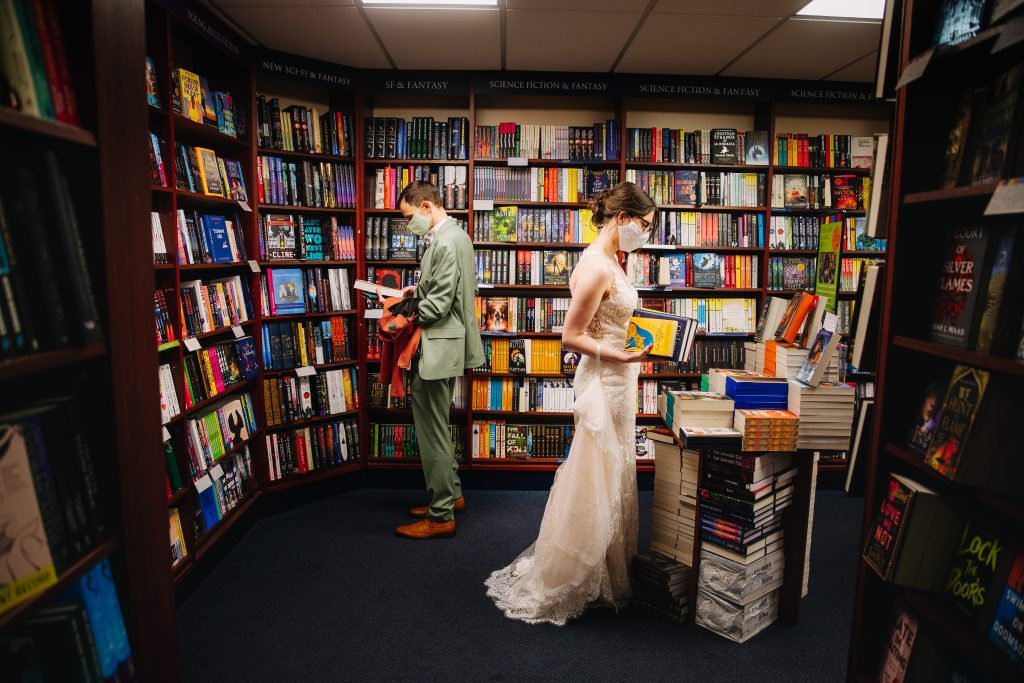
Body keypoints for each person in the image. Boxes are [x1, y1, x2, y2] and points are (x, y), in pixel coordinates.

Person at [485, 181, 656, 624]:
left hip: (621, 375)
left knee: (612, 468)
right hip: (606, 379)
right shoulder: (599, 265)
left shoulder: (614, 259)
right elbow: (571, 336)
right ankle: (579, 570)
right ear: (623, 219)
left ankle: (605, 566)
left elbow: (611, 319)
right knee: (595, 471)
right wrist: (621, 353)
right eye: (645, 225)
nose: (647, 234)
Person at [393, 181, 483, 540]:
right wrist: (420, 290)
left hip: (437, 345)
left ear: (427, 207)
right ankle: (453, 496)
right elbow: (454, 288)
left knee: (431, 433)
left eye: (409, 216)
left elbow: (438, 305)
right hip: (447, 343)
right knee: (439, 427)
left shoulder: (443, 241)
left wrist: (401, 314)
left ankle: (441, 513)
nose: (408, 224)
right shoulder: (457, 236)